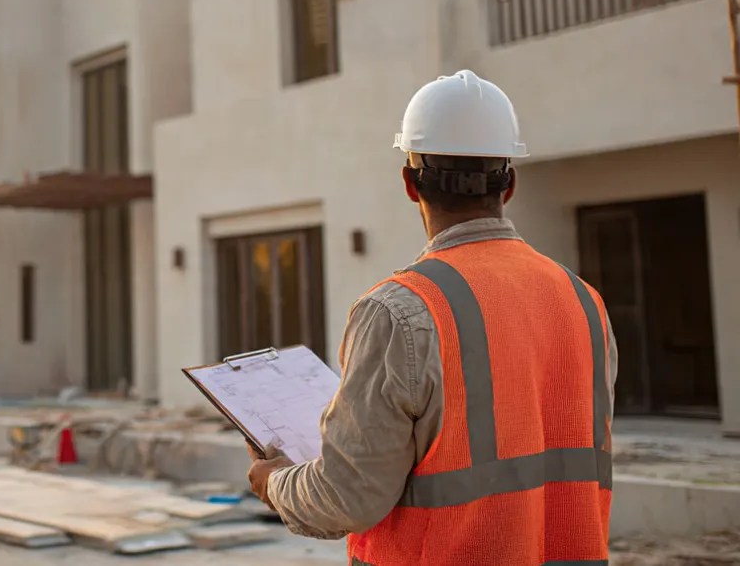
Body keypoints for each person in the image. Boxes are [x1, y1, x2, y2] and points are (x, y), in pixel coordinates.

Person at [246, 69, 617, 565]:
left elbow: (345, 499)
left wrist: (274, 483)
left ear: (409, 183)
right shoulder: (583, 301)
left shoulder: (399, 312)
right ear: (508, 184)